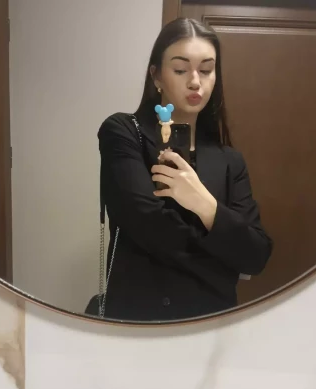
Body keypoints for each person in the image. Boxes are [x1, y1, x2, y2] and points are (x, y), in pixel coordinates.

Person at [95, 18, 273, 321]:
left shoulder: (230, 161)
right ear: (156, 75)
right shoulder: (125, 132)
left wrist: (205, 205)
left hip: (210, 326)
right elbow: (149, 225)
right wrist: (224, 268)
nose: (195, 81)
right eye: (180, 69)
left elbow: (256, 255)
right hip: (137, 322)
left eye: (206, 70)